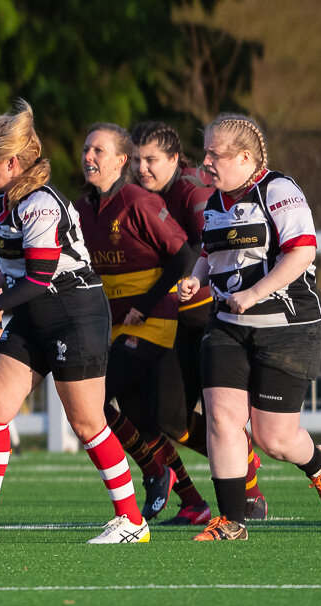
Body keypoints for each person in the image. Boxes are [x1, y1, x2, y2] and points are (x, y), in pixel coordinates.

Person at [0, 101, 150, 545]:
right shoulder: (6, 202)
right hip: (35, 314)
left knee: (87, 423)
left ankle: (132, 521)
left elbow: (42, 276)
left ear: (11, 163)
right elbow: (21, 275)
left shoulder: (41, 203)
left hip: (74, 314)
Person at [177, 113, 321, 541]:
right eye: (206, 152)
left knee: (274, 438)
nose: (206, 161)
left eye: (215, 154)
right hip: (228, 326)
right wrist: (197, 276)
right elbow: (211, 251)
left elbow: (302, 254)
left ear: (246, 157)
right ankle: (231, 520)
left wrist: (254, 293)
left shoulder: (279, 190)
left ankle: (317, 464)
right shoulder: (215, 201)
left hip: (287, 329)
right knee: (222, 419)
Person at [130, 121, 266, 525]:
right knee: (169, 417)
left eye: (151, 160)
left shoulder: (192, 191)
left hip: (206, 316)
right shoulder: (142, 196)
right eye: (136, 160)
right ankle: (238, 464)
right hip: (173, 319)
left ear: (174, 159)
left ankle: (245, 484)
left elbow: (195, 250)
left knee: (215, 414)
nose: (142, 168)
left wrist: (150, 296)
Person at [73, 123, 203, 525]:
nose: (89, 157)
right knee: (143, 420)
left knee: (92, 399)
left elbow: (184, 257)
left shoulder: (139, 201)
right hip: (114, 326)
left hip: (153, 322)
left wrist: (146, 305)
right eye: (86, 149)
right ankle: (194, 502)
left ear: (120, 160)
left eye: (99, 150)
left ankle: (153, 471)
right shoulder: (79, 209)